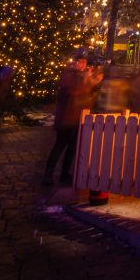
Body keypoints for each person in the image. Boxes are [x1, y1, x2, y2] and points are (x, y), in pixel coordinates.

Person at [44, 51, 102, 186]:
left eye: (84, 62)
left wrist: (93, 82)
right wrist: (89, 82)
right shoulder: (68, 74)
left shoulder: (83, 76)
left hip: (79, 118)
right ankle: (48, 174)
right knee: (59, 146)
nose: (82, 64)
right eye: (80, 61)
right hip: (66, 117)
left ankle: (65, 174)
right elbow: (74, 91)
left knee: (73, 147)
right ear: (75, 62)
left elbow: (87, 95)